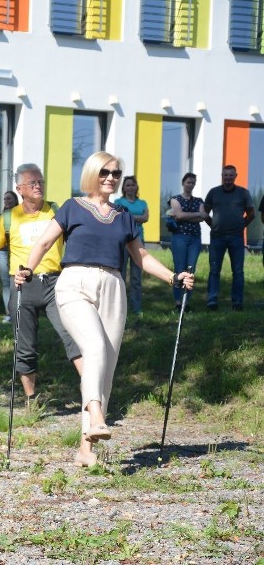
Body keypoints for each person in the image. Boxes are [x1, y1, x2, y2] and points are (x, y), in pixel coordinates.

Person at [15, 151, 194, 468]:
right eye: (105, 172)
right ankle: (95, 412)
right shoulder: (73, 207)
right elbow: (43, 244)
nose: (111, 177)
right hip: (74, 283)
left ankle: (86, 450)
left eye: (116, 172)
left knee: (106, 368)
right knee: (94, 347)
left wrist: (174, 277)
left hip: (113, 286)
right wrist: (26, 270)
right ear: (92, 174)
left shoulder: (124, 216)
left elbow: (141, 257)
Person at [0, 164, 82, 408]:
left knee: (73, 335)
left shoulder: (56, 210)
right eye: (32, 183)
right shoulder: (9, 217)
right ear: (19, 188)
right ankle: (31, 399)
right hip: (22, 284)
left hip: (55, 282)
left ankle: (93, 393)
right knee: (25, 345)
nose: (38, 187)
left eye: (41, 182)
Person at [203, 165, 255, 311]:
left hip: (236, 237)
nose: (228, 178)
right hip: (217, 237)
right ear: (222, 175)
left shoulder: (243, 193)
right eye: (225, 175)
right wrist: (212, 225)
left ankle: (237, 302)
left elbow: (251, 214)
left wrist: (242, 225)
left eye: (231, 175)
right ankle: (212, 300)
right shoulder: (214, 192)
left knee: (238, 271)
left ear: (235, 176)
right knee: (214, 270)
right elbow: (205, 213)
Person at [168, 173, 207, 311]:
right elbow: (179, 215)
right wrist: (196, 214)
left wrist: (185, 216)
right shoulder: (175, 199)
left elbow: (203, 217)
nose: (190, 184)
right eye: (188, 182)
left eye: (193, 182)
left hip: (195, 239)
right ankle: (178, 301)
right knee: (179, 268)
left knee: (191, 270)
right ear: (183, 183)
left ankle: (186, 301)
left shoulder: (199, 200)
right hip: (179, 237)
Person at [115, 176, 149, 315]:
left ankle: (136, 308)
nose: (130, 188)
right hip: (122, 241)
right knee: (120, 275)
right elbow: (118, 217)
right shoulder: (118, 202)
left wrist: (127, 215)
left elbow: (145, 218)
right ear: (123, 188)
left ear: (136, 187)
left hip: (138, 242)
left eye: (132, 185)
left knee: (136, 277)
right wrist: (136, 218)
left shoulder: (143, 203)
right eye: (127, 185)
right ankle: (120, 308)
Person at [0, 190, 18, 323]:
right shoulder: (1, 216)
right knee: (5, 282)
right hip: (2, 251)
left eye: (9, 199)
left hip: (16, 251)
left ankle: (20, 310)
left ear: (15, 200)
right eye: (5, 199)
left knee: (17, 280)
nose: (7, 201)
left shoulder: (21, 215)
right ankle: (8, 313)